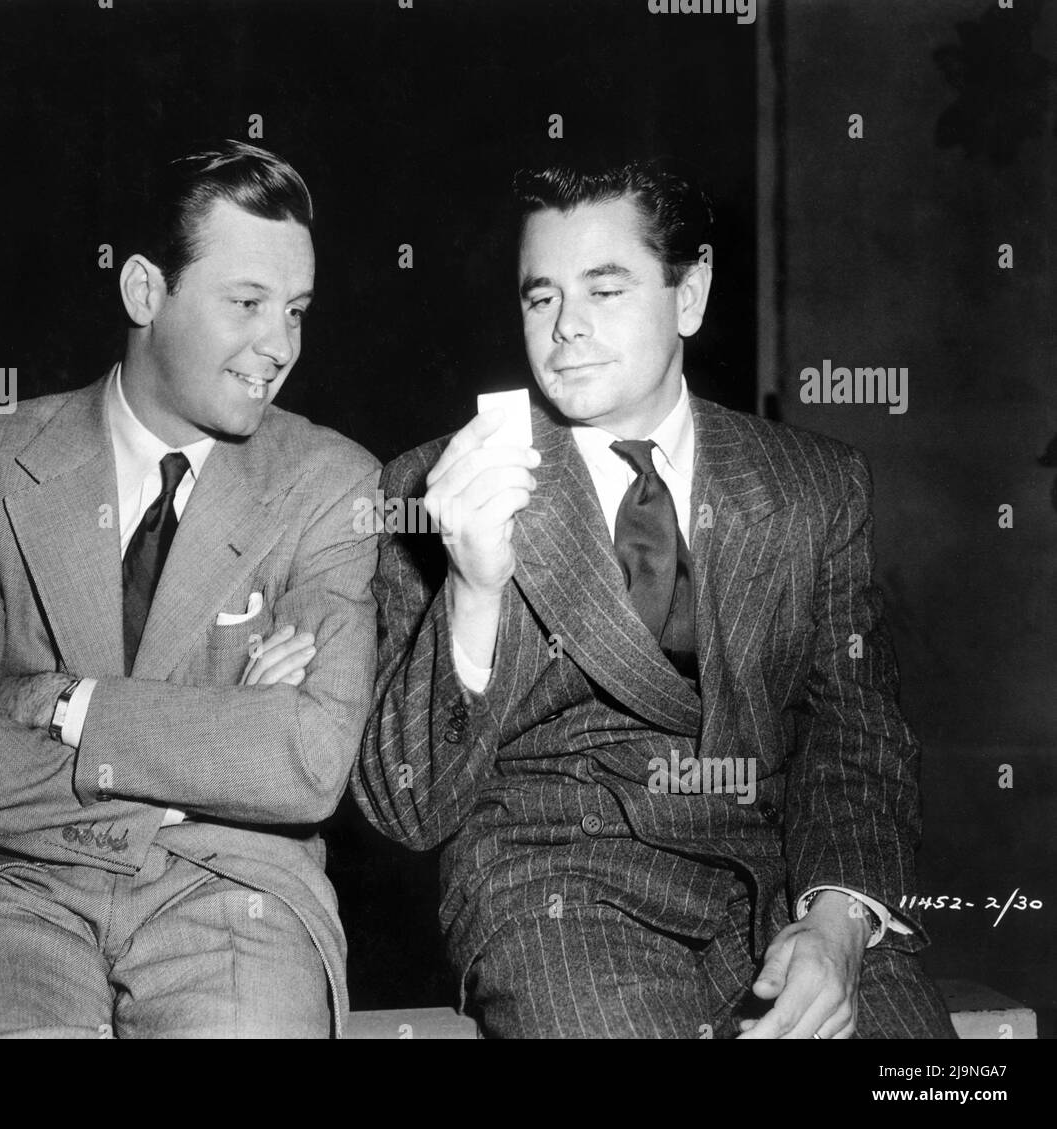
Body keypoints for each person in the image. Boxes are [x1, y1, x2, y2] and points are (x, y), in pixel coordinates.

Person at [354, 156, 956, 1039]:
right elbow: (406, 808)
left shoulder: (815, 486)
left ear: (691, 294)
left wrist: (839, 922)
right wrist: (473, 593)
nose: (566, 329)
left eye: (605, 290)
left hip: (780, 893)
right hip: (556, 896)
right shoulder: (437, 486)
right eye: (540, 297)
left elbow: (854, 738)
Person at [0, 141, 379, 1038]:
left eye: (295, 310)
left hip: (237, 889)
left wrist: (60, 702)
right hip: (1, 883)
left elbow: (304, 763)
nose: (281, 347)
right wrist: (211, 739)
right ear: (145, 291)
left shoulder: (333, 483)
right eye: (247, 303)